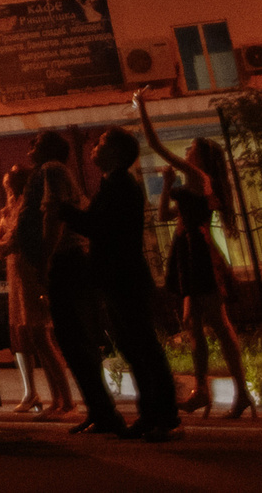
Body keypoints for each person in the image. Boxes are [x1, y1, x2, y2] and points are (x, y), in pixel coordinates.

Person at [62, 120, 181, 441]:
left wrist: (63, 211)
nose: (94, 147)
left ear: (114, 152)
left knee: (143, 347)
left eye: (100, 143)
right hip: (117, 276)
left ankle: (164, 416)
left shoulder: (120, 185)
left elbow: (98, 226)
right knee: (132, 347)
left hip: (124, 276)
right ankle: (150, 414)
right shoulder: (113, 184)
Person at [137, 91, 252, 419]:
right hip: (187, 252)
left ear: (200, 157)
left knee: (218, 323)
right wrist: (167, 184)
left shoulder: (200, 178)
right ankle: (202, 389)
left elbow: (156, 145)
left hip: (199, 253)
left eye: (191, 148)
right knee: (192, 321)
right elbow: (164, 216)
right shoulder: (192, 184)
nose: (187, 151)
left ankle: (241, 393)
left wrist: (141, 107)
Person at [32, 130, 124, 435]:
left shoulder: (52, 170)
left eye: (35, 145)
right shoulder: (62, 173)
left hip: (67, 261)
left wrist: (45, 259)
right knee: (78, 339)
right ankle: (99, 410)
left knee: (74, 339)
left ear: (46, 150)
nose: (30, 150)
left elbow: (54, 216)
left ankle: (103, 412)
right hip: (75, 261)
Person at [0, 165, 74, 417]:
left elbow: (9, 242)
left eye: (10, 184)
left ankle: (66, 400)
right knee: (36, 337)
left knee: (42, 335)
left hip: (30, 274)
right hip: (19, 276)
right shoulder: (13, 209)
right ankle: (57, 400)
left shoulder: (27, 208)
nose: (8, 190)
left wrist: (2, 241)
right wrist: (2, 241)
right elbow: (0, 245)